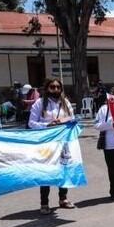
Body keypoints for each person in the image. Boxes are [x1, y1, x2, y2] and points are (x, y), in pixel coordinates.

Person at [29, 78, 76, 214]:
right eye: (52, 87)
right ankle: (44, 203)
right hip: (46, 143)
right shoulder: (39, 103)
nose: (55, 89)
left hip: (63, 142)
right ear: (47, 88)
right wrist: (47, 125)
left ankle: (63, 198)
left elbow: (72, 118)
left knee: (63, 170)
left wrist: (64, 121)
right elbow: (32, 123)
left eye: (58, 87)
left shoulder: (65, 102)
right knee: (46, 172)